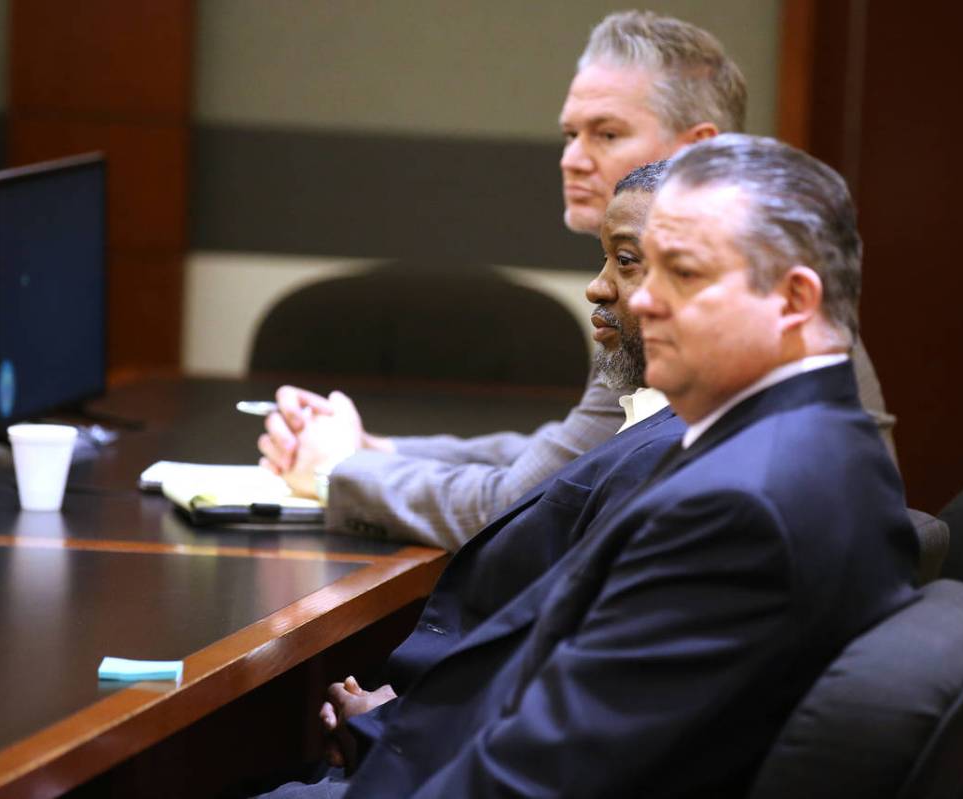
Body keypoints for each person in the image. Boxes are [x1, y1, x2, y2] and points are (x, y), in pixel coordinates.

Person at [257, 136, 920, 798]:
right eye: (645, 268)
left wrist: (388, 751)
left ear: (793, 300)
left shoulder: (739, 502)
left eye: (681, 273)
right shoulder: (811, 441)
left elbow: (542, 776)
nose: (639, 300)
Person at [258, 11, 895, 551]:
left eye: (606, 133)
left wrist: (337, 470)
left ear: (696, 150)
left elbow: (520, 504)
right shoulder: (651, 284)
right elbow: (565, 451)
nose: (571, 158)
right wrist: (383, 448)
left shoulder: (707, 307)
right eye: (569, 134)